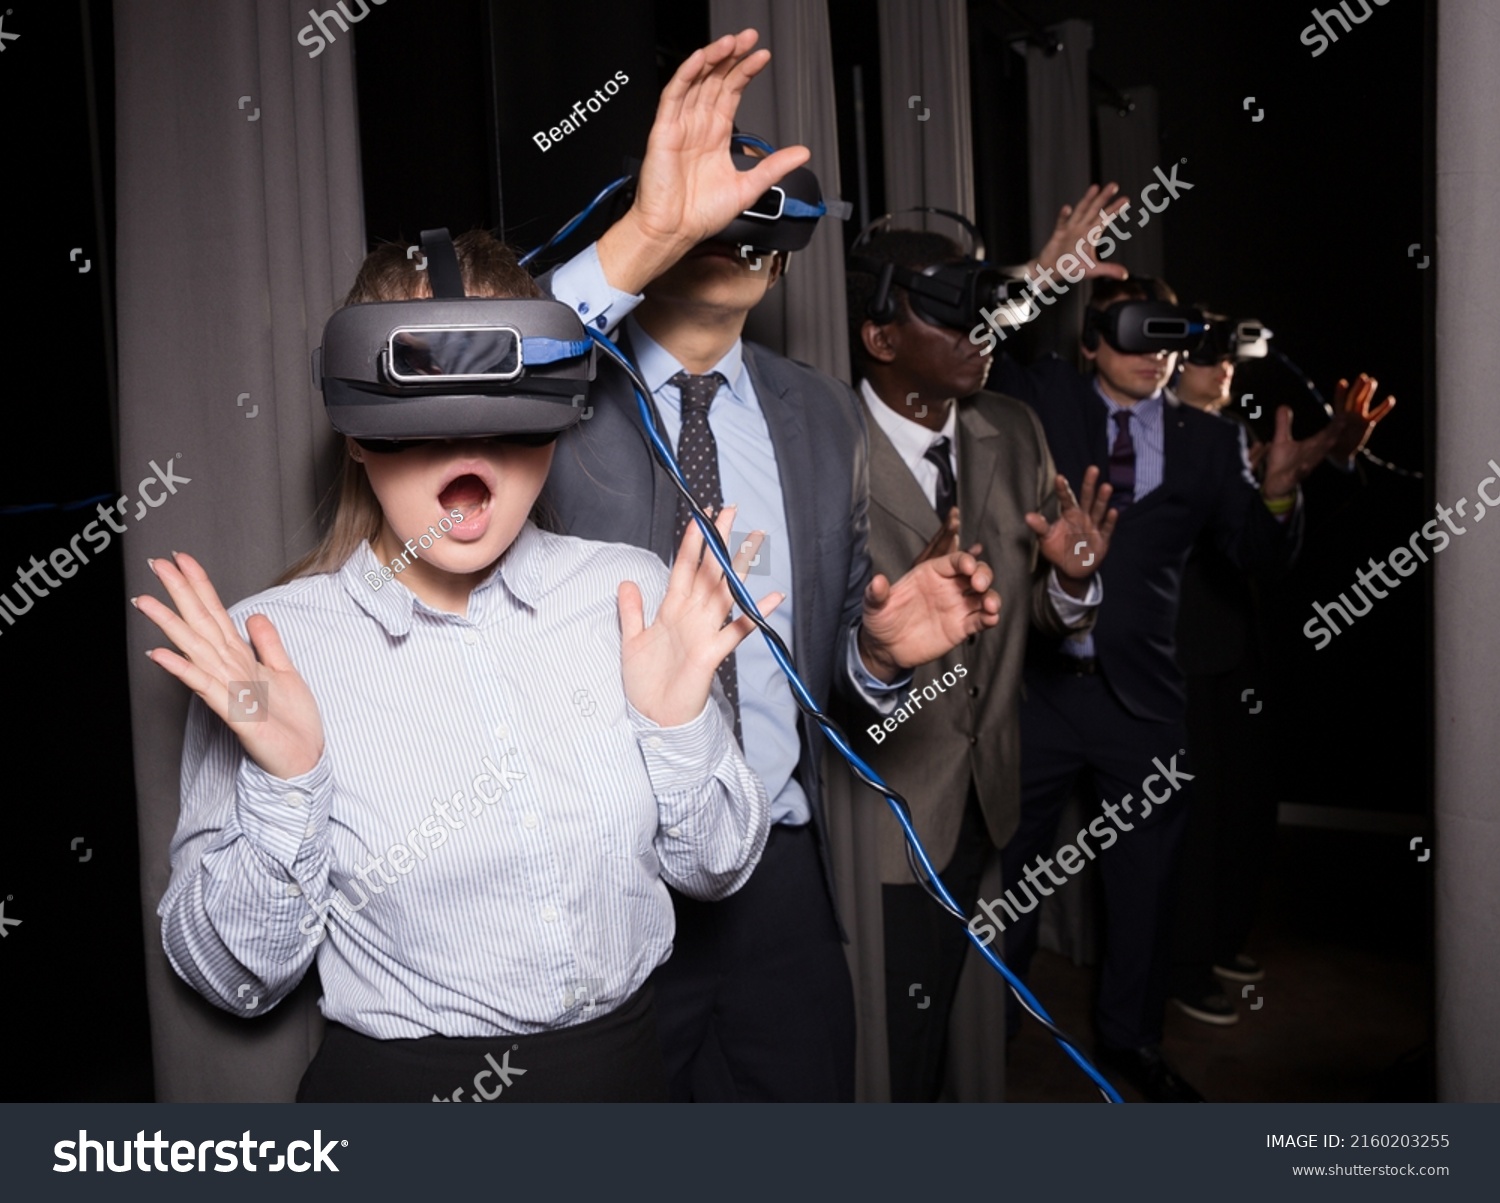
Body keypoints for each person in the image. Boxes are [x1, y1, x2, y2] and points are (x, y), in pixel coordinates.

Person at [138, 51, 792, 1102]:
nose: (469, 469)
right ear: (356, 438)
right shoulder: (271, 650)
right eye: (424, 432)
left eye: (505, 426)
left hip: (629, 1082)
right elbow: (232, 980)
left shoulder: (621, 593)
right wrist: (287, 780)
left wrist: (675, 725)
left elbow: (718, 870)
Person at [538, 30, 1002, 1101]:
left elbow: (829, 676)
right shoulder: (551, 399)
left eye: (755, 215)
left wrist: (881, 657)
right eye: (706, 209)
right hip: (610, 873)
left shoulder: (822, 415)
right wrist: (648, 232)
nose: (730, 231)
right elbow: (490, 360)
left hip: (777, 881)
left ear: (786, 256)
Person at [988, 274, 1381, 1101]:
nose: (1153, 354)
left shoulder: (1207, 442)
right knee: (1013, 873)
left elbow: (1256, 558)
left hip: (1145, 705)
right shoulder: (1046, 398)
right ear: (1091, 341)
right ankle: (990, 1028)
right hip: (1045, 692)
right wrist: (1051, 272)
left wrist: (1278, 488)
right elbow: (983, 343)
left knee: (1145, 888)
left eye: (1169, 337)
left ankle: (1132, 1039)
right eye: (1131, 333)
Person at [827, 226, 1115, 1101]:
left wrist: (1072, 583)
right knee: (890, 1056)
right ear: (880, 337)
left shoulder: (1014, 429)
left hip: (989, 804)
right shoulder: (824, 449)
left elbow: (1039, 616)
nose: (980, 332)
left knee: (967, 1038)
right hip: (886, 816)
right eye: (951, 314)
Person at [1169, 344, 1395, 1024]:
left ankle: (1220, 941)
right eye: (1203, 351)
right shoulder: (1146, 437)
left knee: (1246, 808)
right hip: (1176, 656)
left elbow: (1282, 532)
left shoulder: (1242, 434)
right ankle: (1183, 965)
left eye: (1224, 349)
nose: (1223, 362)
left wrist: (1333, 451)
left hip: (1246, 651)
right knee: (1195, 822)